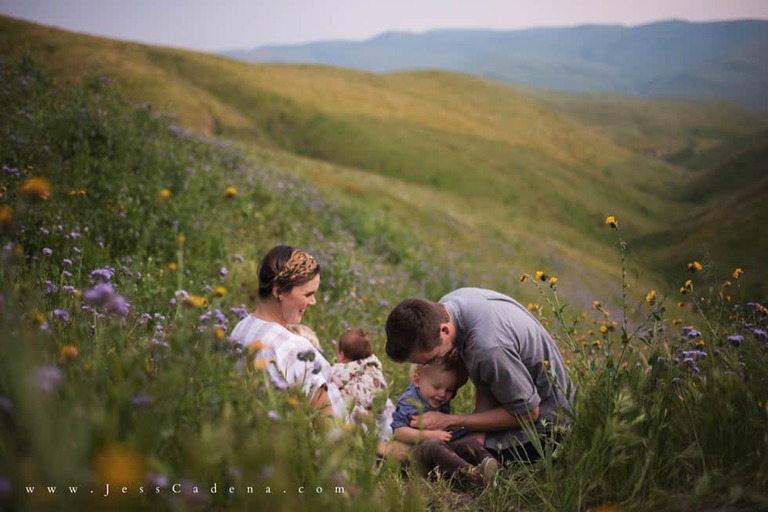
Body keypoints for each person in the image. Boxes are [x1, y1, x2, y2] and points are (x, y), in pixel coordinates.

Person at [229, 245, 408, 459]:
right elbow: (327, 424)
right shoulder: (295, 348)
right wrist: (384, 449)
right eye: (308, 294)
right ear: (278, 291)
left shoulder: (241, 328)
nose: (313, 302)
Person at [385, 287, 575, 463]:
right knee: (459, 440)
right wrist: (478, 429)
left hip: (548, 427)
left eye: (431, 359)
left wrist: (452, 420)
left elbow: (528, 413)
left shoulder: (488, 348)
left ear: (444, 330)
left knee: (440, 450)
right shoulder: (450, 305)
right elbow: (486, 378)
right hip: (515, 395)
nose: (430, 365)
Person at [391, 357, 499, 487]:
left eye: (449, 390)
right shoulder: (409, 401)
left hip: (438, 450)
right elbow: (399, 432)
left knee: (469, 443)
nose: (442, 394)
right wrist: (430, 435)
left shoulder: (436, 397)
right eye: (437, 387)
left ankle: (494, 468)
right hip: (411, 457)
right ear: (417, 380)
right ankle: (471, 474)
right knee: (434, 446)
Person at [330, 327, 394, 438]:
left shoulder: (341, 369)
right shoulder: (374, 367)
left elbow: (334, 379)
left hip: (359, 407)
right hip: (378, 405)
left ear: (341, 355)